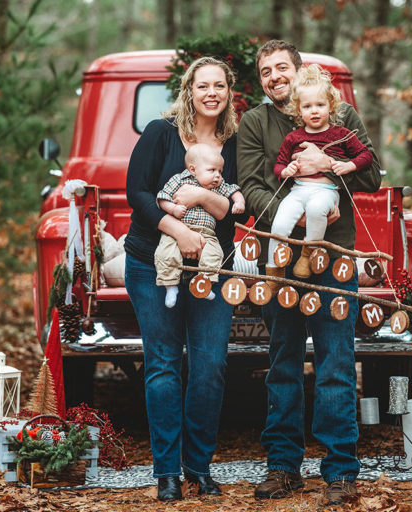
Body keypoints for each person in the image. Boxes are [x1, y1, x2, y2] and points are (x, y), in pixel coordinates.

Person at [237, 40, 382, 505]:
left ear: (301, 72)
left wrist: (327, 167)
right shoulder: (257, 122)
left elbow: (372, 175)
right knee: (281, 364)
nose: (275, 76)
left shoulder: (340, 116)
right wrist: (297, 215)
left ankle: (341, 470)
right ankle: (283, 466)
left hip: (334, 256)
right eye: (266, 71)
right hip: (279, 258)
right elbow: (252, 184)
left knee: (336, 362)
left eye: (283, 68)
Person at [124, 56, 240, 501]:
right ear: (189, 90)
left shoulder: (233, 143)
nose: (211, 93)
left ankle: (199, 467)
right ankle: (167, 471)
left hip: (212, 267)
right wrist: (178, 229)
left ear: (229, 93)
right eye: (202, 86)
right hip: (152, 263)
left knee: (210, 367)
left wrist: (200, 198)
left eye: (220, 86)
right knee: (163, 367)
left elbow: (231, 212)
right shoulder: (160, 133)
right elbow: (137, 191)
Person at [267, 64, 374, 288]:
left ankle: (308, 254)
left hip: (326, 192)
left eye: (320, 105)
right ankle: (273, 268)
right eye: (307, 106)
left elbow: (366, 155)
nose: (314, 111)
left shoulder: (341, 134)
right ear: (298, 110)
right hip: (298, 190)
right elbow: (279, 164)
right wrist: (285, 172)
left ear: (331, 106)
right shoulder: (293, 138)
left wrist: (349, 166)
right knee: (280, 222)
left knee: (317, 211)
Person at [155, 143, 245, 307]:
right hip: (175, 231)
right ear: (193, 169)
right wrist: (173, 209)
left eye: (220, 171)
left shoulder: (218, 185)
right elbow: (162, 198)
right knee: (166, 253)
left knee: (214, 254)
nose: (217, 175)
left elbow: (233, 190)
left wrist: (239, 202)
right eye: (212, 170)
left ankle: (205, 283)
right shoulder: (179, 180)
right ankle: (170, 286)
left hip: (207, 233)